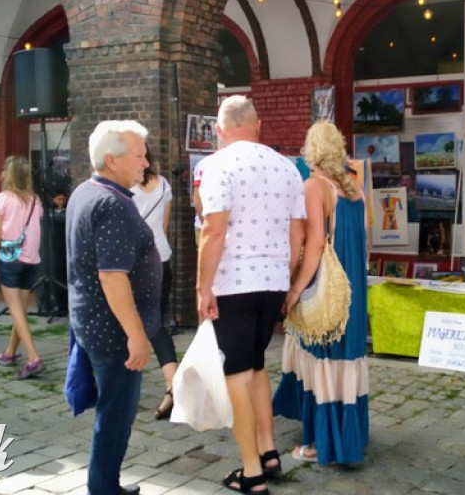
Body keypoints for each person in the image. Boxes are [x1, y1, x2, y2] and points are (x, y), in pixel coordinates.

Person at [197, 95, 306, 494]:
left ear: (220, 129)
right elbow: (298, 235)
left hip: (233, 282)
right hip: (273, 279)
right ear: (257, 125)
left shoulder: (215, 165)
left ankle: (252, 472)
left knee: (237, 376)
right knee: (257, 366)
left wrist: (201, 286)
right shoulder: (288, 166)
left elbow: (213, 231)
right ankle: (269, 450)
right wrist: (288, 278)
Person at [67, 120, 159, 495]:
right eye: (138, 155)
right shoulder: (112, 204)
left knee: (113, 410)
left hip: (93, 320)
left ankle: (103, 484)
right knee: (116, 414)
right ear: (111, 159)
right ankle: (103, 488)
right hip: (113, 329)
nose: (145, 161)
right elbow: (112, 276)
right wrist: (136, 336)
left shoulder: (85, 192)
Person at [273, 121, 370, 465]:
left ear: (310, 151)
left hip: (327, 291)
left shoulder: (314, 186)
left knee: (321, 358)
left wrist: (295, 289)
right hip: (352, 289)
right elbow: (361, 240)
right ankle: (350, 436)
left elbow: (315, 242)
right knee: (347, 361)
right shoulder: (356, 190)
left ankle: (322, 444)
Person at [129, 149, 178, 420]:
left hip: (136, 263)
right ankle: (172, 384)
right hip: (162, 258)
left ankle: (124, 387)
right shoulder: (164, 185)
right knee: (156, 322)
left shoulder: (126, 190)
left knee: (127, 322)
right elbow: (165, 225)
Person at [0, 156, 45, 379]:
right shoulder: (35, 200)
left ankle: (33, 357)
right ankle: (10, 352)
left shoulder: (2, 199)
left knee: (15, 311)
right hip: (31, 259)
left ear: (8, 175)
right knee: (19, 310)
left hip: (9, 259)